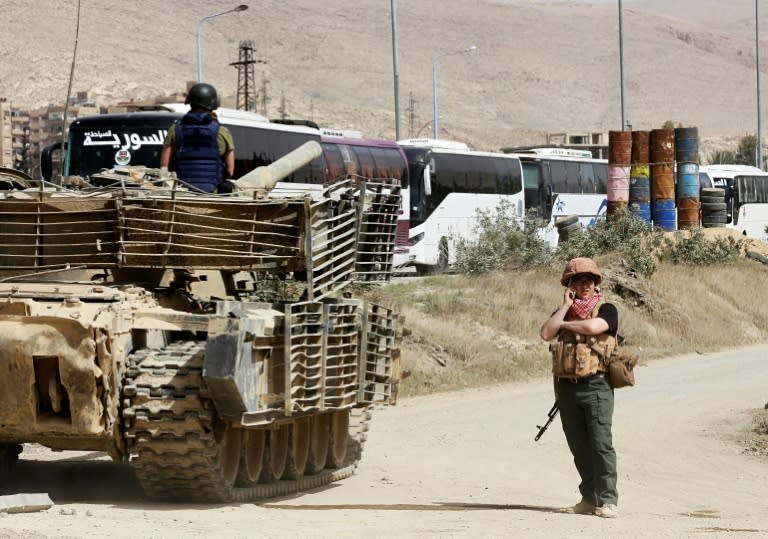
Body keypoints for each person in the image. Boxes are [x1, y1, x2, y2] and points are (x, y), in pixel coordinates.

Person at [539, 257, 620, 519]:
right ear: (570, 285)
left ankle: (607, 500)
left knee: (600, 444)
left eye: (588, 280)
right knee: (579, 446)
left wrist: (564, 325)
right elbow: (546, 333)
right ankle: (589, 498)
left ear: (596, 284)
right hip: (567, 389)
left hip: (596, 386)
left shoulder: (606, 309)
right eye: (578, 281)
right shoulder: (564, 312)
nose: (584, 285)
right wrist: (564, 308)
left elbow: (593, 327)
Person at [160, 82, 235, 193]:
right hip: (212, 193)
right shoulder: (222, 131)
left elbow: (164, 166)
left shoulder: (175, 130)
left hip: (181, 192)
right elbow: (230, 170)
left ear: (190, 102)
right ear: (212, 104)